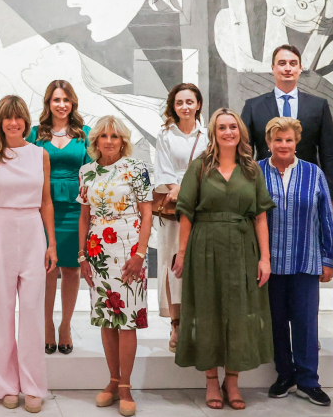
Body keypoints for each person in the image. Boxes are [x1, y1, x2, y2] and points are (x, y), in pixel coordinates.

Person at [174, 108, 274, 411]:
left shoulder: (251, 169)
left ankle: (232, 381)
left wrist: (265, 258)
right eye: (222, 127)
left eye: (232, 127)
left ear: (240, 131)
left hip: (243, 247)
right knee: (207, 311)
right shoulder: (199, 167)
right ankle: (211, 381)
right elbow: (185, 213)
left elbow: (260, 216)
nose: (228, 132)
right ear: (213, 133)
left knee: (239, 313)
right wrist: (181, 253)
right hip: (205, 246)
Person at [0, 95, 58, 413]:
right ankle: (6, 385)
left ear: (26, 121)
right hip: (1, 230)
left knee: (33, 312)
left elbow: (46, 201)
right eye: (8, 118)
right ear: (0, 122)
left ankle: (33, 386)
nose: (13, 123)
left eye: (18, 117)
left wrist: (51, 243)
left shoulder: (40, 154)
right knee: (0, 312)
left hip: (33, 230)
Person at [260, 117, 333, 407]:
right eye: (278, 139)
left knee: (306, 323)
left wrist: (328, 258)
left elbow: (326, 217)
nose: (283, 144)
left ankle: (309, 381)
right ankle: (285, 376)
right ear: (269, 142)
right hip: (269, 264)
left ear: (297, 142)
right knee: (276, 322)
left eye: (289, 140)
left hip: (306, 261)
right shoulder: (256, 172)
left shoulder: (313, 173)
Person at [76, 115, 154, 416]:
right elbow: (84, 217)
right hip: (98, 252)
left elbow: (147, 214)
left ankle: (126, 387)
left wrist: (140, 253)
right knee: (106, 317)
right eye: (104, 136)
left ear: (123, 141)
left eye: (115, 136)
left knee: (127, 319)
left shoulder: (136, 168)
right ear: (95, 140)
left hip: (130, 250)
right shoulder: (86, 172)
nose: (109, 141)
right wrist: (83, 256)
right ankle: (112, 380)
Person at [27, 80, 89, 356]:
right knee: (47, 268)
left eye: (66, 99)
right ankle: (47, 326)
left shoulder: (85, 134)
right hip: (43, 207)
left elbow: (92, 170)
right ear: (48, 103)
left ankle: (65, 326)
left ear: (72, 102)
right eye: (56, 99)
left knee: (72, 269)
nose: (61, 104)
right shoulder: (34, 134)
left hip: (76, 208)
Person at [241, 45, 333, 210]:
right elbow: (245, 153)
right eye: (282, 63)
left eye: (293, 63)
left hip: (307, 189)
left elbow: (329, 154)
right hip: (265, 188)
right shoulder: (253, 106)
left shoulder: (318, 106)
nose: (287, 68)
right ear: (273, 68)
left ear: (300, 68)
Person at [151, 83, 206, 353]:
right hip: (173, 206)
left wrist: (191, 190)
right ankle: (176, 324)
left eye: (189, 101)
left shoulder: (208, 135)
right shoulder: (165, 136)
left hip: (204, 204)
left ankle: (199, 322)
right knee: (173, 263)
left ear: (198, 104)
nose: (185, 106)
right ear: (173, 106)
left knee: (199, 262)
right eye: (179, 102)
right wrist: (179, 189)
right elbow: (162, 170)